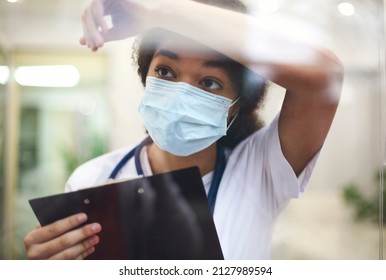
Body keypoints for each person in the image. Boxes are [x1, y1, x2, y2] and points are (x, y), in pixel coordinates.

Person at [24, 0, 343, 260]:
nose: (180, 94)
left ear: (238, 104)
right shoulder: (90, 181)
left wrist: (156, 12)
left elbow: (323, 76)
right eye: (165, 71)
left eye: (209, 82)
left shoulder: (260, 171)